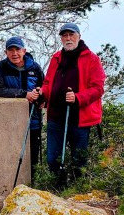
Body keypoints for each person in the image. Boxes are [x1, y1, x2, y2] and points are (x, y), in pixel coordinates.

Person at [36, 23, 105, 184]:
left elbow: (98, 88)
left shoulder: (92, 59)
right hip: (56, 117)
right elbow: (48, 83)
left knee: (79, 161)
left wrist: (78, 97)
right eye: (64, 35)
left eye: (71, 35)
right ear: (61, 38)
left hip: (80, 120)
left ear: (79, 36)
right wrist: (42, 93)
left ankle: (77, 192)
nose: (68, 38)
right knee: (53, 158)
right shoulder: (56, 58)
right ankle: (57, 190)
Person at [0, 36, 45, 182]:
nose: (14, 53)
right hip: (11, 121)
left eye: (17, 49)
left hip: (33, 119)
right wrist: (24, 94)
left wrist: (42, 98)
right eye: (11, 50)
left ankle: (34, 185)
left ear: (24, 51)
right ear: (6, 52)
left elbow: (44, 87)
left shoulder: (35, 67)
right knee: (12, 155)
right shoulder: (1, 67)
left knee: (33, 157)